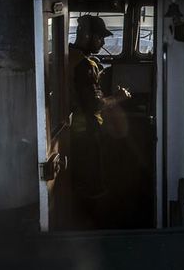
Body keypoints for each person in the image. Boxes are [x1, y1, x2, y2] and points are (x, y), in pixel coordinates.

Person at [68, 14, 130, 228]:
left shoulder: (67, 56)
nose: (103, 42)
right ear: (87, 36)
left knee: (80, 176)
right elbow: (95, 105)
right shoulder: (85, 66)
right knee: (93, 177)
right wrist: (119, 97)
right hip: (87, 131)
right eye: (100, 38)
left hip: (73, 129)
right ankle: (94, 224)